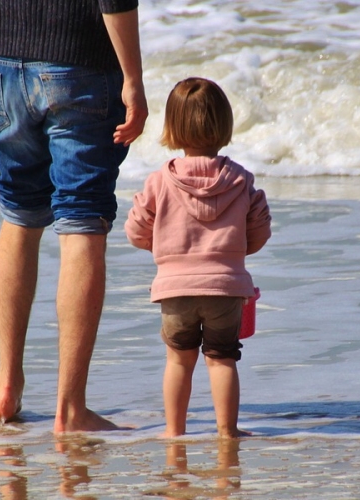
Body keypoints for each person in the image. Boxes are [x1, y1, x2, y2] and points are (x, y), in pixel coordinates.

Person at [0, 0, 149, 433]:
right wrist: (133, 78)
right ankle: (71, 409)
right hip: (80, 63)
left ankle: (5, 388)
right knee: (81, 222)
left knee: (19, 213)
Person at [124, 77, 271, 438]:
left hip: (174, 289)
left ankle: (174, 431)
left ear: (171, 127)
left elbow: (135, 229)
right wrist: (233, 254)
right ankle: (227, 431)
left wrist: (166, 252)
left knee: (178, 359)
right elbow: (258, 232)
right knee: (222, 359)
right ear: (224, 125)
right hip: (226, 287)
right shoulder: (241, 180)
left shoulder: (160, 181)